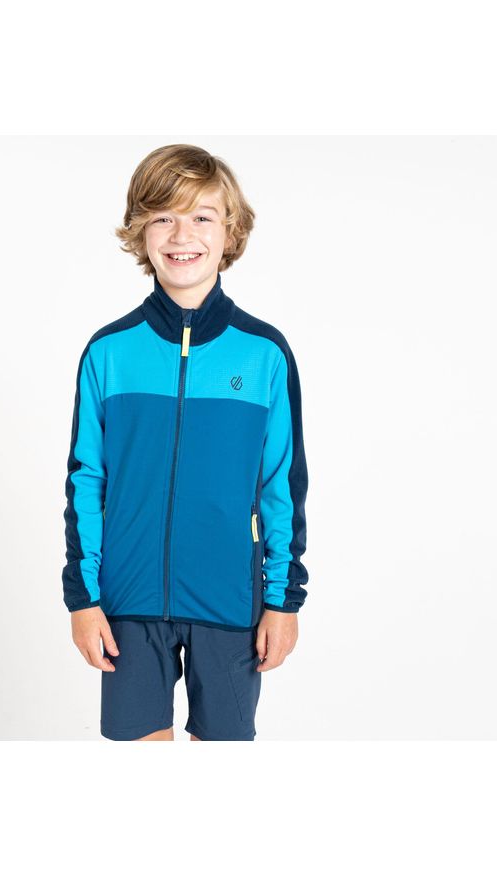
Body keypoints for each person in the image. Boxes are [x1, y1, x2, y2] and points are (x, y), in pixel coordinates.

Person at [62, 143, 309, 741]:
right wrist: (83, 598)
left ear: (230, 231)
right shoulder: (109, 353)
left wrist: (283, 601)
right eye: (163, 217)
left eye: (202, 216)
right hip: (127, 601)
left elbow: (281, 485)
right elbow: (86, 481)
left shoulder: (264, 354)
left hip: (230, 600)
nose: (182, 235)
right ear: (140, 229)